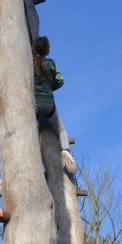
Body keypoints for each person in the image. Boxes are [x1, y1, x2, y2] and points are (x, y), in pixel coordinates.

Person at [32, 35, 77, 174]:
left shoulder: (28, 62)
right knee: (61, 129)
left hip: (34, 105)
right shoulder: (51, 64)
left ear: (34, 48)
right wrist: (49, 89)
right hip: (49, 104)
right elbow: (60, 81)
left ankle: (39, 162)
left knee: (32, 132)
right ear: (48, 50)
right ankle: (66, 151)